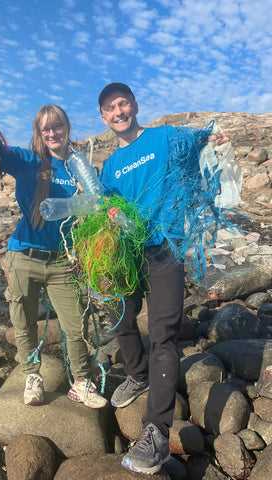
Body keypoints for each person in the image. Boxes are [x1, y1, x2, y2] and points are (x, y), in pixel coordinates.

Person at [97, 82, 229, 474]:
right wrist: (104, 212)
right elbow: (104, 202)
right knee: (120, 317)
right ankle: (138, 375)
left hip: (165, 247)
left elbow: (196, 142)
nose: (119, 112)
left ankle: (156, 430)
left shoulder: (164, 137)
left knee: (163, 333)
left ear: (134, 106)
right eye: (110, 108)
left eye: (123, 104)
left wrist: (212, 137)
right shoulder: (108, 167)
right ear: (103, 118)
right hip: (127, 253)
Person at [0, 89, 108, 409]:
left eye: (58, 126)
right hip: (23, 255)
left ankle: (80, 381)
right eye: (45, 128)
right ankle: (32, 375)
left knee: (75, 322)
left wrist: (85, 200)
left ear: (67, 128)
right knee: (22, 322)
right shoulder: (26, 160)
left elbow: (97, 204)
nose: (52, 133)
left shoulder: (78, 167)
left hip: (64, 260)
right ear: (39, 133)